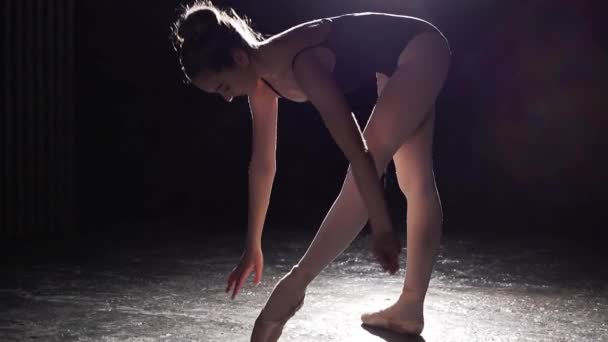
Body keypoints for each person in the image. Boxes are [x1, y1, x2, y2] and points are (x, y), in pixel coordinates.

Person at [171, 1, 450, 340]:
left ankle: (295, 286)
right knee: (414, 177)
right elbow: (262, 165)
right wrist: (252, 244)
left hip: (421, 48)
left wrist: (381, 225)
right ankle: (409, 309)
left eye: (223, 87)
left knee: (386, 168)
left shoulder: (303, 63)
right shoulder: (262, 82)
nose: (227, 98)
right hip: (395, 58)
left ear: (239, 58)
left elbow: (358, 152)